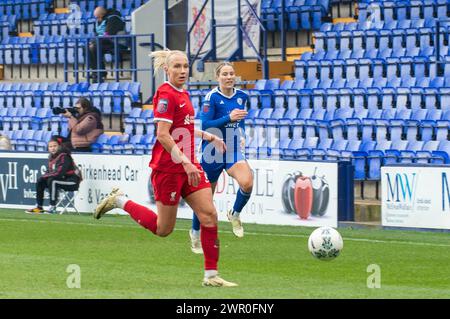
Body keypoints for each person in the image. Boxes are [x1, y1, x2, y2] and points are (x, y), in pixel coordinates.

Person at [94, 49, 238, 287]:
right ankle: (119, 201)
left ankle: (211, 276)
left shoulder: (184, 93)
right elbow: (163, 135)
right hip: (168, 169)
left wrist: (208, 137)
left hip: (188, 166)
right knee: (164, 229)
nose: (182, 71)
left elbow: (184, 128)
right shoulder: (165, 95)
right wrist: (186, 161)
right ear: (166, 70)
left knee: (209, 215)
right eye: (177, 67)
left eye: (185, 66)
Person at [189, 62, 253, 254]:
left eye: (231, 73)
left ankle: (235, 213)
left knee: (247, 182)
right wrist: (229, 118)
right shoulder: (211, 98)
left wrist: (241, 134)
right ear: (218, 77)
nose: (229, 77)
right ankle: (194, 232)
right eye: (224, 74)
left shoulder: (242, 96)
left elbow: (240, 121)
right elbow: (206, 125)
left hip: (233, 149)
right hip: (213, 150)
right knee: (204, 199)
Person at [26, 138, 81, 214]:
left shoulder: (64, 156)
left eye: (55, 146)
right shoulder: (51, 157)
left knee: (52, 181)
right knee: (40, 180)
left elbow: (59, 173)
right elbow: (49, 171)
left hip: (72, 181)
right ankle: (39, 207)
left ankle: (52, 207)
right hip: (61, 180)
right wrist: (44, 177)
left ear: (59, 146)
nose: (52, 148)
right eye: (50, 147)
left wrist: (46, 176)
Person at [88, 6, 125, 81]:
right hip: (102, 42)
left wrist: (94, 41)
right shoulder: (100, 19)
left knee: (93, 47)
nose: (97, 19)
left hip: (115, 42)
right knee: (87, 47)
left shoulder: (114, 18)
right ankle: (96, 71)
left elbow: (109, 34)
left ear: (102, 14)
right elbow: (97, 33)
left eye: (98, 17)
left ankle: (100, 73)